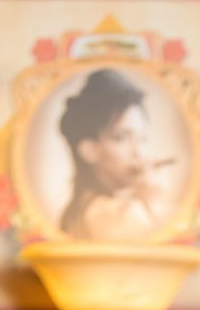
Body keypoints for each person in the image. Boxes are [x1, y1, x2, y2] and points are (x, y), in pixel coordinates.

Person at [57, 67, 175, 241]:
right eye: (122, 138)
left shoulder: (107, 208)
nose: (138, 152)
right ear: (90, 151)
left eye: (142, 138)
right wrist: (150, 202)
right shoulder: (111, 216)